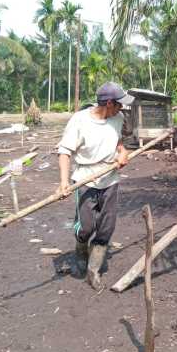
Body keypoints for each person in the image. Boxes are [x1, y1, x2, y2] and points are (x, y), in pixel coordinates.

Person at [56, 82, 134, 290]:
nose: (122, 108)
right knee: (86, 226)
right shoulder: (80, 121)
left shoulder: (117, 118)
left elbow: (118, 142)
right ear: (109, 103)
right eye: (120, 104)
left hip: (111, 179)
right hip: (85, 180)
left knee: (106, 228)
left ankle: (93, 269)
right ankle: (81, 249)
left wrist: (122, 153)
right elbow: (64, 152)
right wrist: (64, 183)